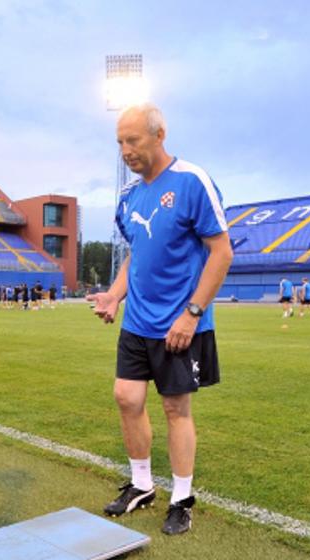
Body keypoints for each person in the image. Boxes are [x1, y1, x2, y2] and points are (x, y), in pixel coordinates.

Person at [87, 103, 232, 535]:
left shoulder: (191, 181)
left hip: (179, 323)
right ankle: (142, 484)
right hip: (138, 322)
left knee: (175, 407)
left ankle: (182, 496)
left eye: (133, 140)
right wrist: (115, 295)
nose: (125, 150)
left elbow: (221, 252)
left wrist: (192, 314)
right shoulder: (130, 196)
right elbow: (138, 252)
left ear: (159, 134)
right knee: (127, 398)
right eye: (120, 142)